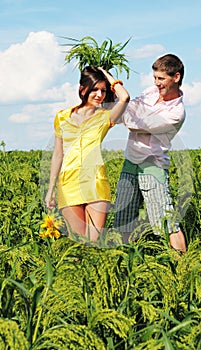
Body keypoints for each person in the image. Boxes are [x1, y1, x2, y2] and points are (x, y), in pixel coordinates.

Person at [45, 66, 130, 242]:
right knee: (77, 242)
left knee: (94, 241)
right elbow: (57, 155)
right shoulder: (62, 116)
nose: (100, 95)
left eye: (103, 91)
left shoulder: (105, 116)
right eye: (95, 89)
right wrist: (51, 188)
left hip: (96, 182)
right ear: (82, 89)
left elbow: (125, 97)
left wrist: (106, 74)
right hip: (69, 183)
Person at [114, 53, 187, 253]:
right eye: (155, 78)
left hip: (151, 166)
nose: (157, 83)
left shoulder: (176, 113)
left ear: (176, 77)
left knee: (166, 223)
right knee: (122, 219)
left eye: (161, 79)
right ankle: (124, 263)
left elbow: (132, 123)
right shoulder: (150, 92)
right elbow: (127, 110)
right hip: (131, 160)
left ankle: (183, 267)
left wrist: (124, 102)